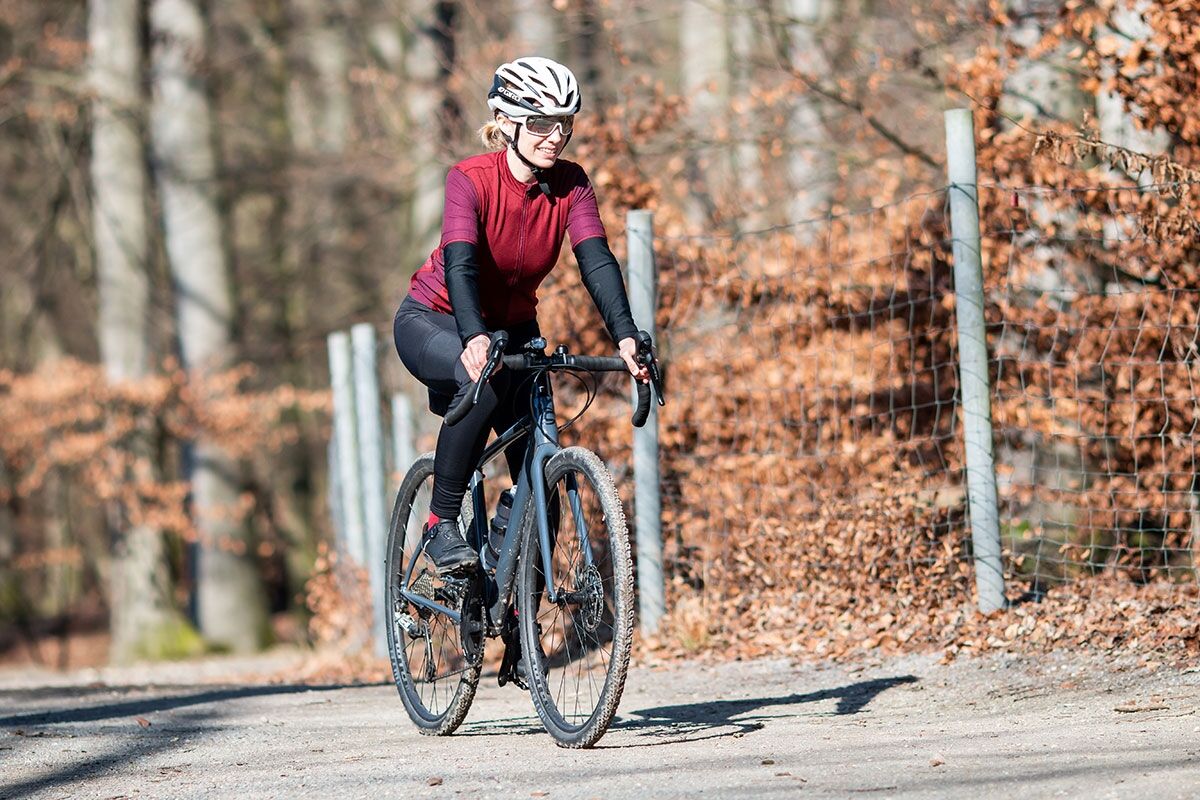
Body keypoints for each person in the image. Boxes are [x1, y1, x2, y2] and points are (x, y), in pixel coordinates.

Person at [393, 56, 649, 576]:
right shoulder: (470, 179)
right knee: (482, 380)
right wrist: (473, 336)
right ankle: (440, 523)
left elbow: (595, 260)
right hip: (438, 318)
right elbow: (461, 264)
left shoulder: (572, 184)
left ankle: (510, 611)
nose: (555, 137)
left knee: (541, 485)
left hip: (513, 329)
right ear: (505, 122)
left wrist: (626, 337)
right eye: (540, 124)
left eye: (564, 124)